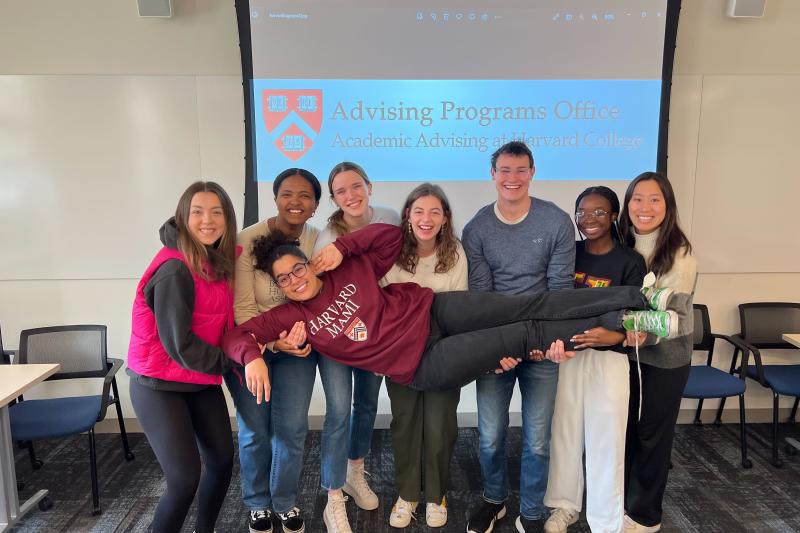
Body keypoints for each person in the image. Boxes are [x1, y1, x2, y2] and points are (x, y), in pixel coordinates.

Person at [221, 223, 669, 400]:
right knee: (526, 333)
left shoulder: (346, 266)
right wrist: (255, 355)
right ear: (279, 286)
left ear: (307, 261)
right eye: (284, 279)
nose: (295, 280)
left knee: (528, 302)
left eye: (297, 268)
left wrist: (342, 245)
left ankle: (636, 297)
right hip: (422, 363)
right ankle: (627, 322)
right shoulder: (289, 317)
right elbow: (235, 338)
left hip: (433, 312)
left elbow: (390, 239)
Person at [461, 141, 576, 533]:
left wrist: (540, 343)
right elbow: (482, 297)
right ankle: (494, 500)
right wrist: (499, 349)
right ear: (493, 174)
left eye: (520, 170)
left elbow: (558, 292)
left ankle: (530, 509)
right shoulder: (476, 227)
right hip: (498, 347)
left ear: (532, 172)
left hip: (543, 346)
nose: (512, 178)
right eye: (505, 171)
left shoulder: (557, 222)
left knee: (537, 439)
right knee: (491, 436)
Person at [126, 181, 237, 533]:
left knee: (221, 461)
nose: (208, 220)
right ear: (183, 217)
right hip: (158, 384)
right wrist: (236, 362)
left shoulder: (215, 260)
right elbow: (180, 345)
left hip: (197, 379)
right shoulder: (175, 269)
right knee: (184, 479)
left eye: (217, 212)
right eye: (198, 212)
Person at [543, 186, 646, 533]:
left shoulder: (630, 261)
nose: (589, 219)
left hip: (609, 360)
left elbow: (636, 317)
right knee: (564, 432)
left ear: (615, 215)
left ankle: (605, 519)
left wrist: (614, 337)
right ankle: (564, 506)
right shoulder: (568, 253)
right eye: (582, 212)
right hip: (569, 356)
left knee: (607, 439)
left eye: (599, 212)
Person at [226, 168, 322, 533]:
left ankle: (284, 501)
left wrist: (293, 341)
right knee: (255, 429)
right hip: (254, 345)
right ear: (276, 197)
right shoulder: (248, 240)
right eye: (287, 193)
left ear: (315, 204)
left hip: (299, 348)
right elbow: (244, 308)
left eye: (304, 196)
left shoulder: (317, 240)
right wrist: (269, 343)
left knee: (292, 429)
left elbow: (320, 292)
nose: (295, 202)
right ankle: (257, 503)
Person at [312, 162, 400, 532]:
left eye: (356, 186)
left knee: (366, 404)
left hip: (373, 333)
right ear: (333, 198)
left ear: (369, 186)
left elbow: (387, 250)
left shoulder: (390, 217)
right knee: (337, 413)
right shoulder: (326, 235)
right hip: (336, 338)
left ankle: (355, 472)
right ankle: (333, 497)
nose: (351, 195)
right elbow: (319, 289)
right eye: (341, 191)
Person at [381, 184, 469, 529]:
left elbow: (459, 311)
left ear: (445, 218)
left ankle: (436, 494)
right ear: (407, 216)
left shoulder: (457, 254)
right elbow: (384, 306)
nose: (426, 218)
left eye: (435, 211)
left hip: (442, 351)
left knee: (440, 425)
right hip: (399, 351)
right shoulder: (391, 253)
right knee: (405, 424)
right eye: (419, 211)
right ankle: (407, 494)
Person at [618, 172, 696, 533]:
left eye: (654, 200)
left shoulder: (680, 253)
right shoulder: (619, 244)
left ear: (668, 206)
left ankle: (645, 516)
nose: (644, 207)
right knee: (625, 433)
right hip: (622, 359)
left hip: (664, 361)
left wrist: (633, 326)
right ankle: (621, 505)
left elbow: (677, 320)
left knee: (652, 436)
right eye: (637, 198)